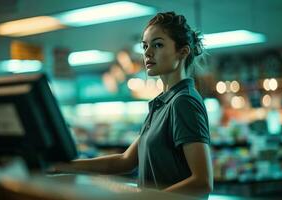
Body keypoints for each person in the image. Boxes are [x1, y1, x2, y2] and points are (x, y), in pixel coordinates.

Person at [52, 11, 213, 198]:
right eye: (145, 46)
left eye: (158, 45)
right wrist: (61, 166)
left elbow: (202, 182)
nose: (147, 53)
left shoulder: (184, 101)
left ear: (183, 52)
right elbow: (125, 161)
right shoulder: (163, 103)